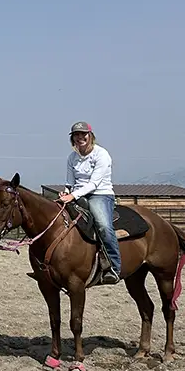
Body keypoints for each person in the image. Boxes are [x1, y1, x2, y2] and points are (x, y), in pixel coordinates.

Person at [59, 121, 121, 285]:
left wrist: (72, 196)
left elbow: (94, 184)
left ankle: (114, 267)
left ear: (90, 136)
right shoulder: (72, 157)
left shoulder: (102, 154)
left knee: (103, 225)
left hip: (100, 194)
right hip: (77, 194)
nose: (80, 137)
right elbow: (69, 181)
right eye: (76, 135)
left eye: (83, 134)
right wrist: (66, 192)